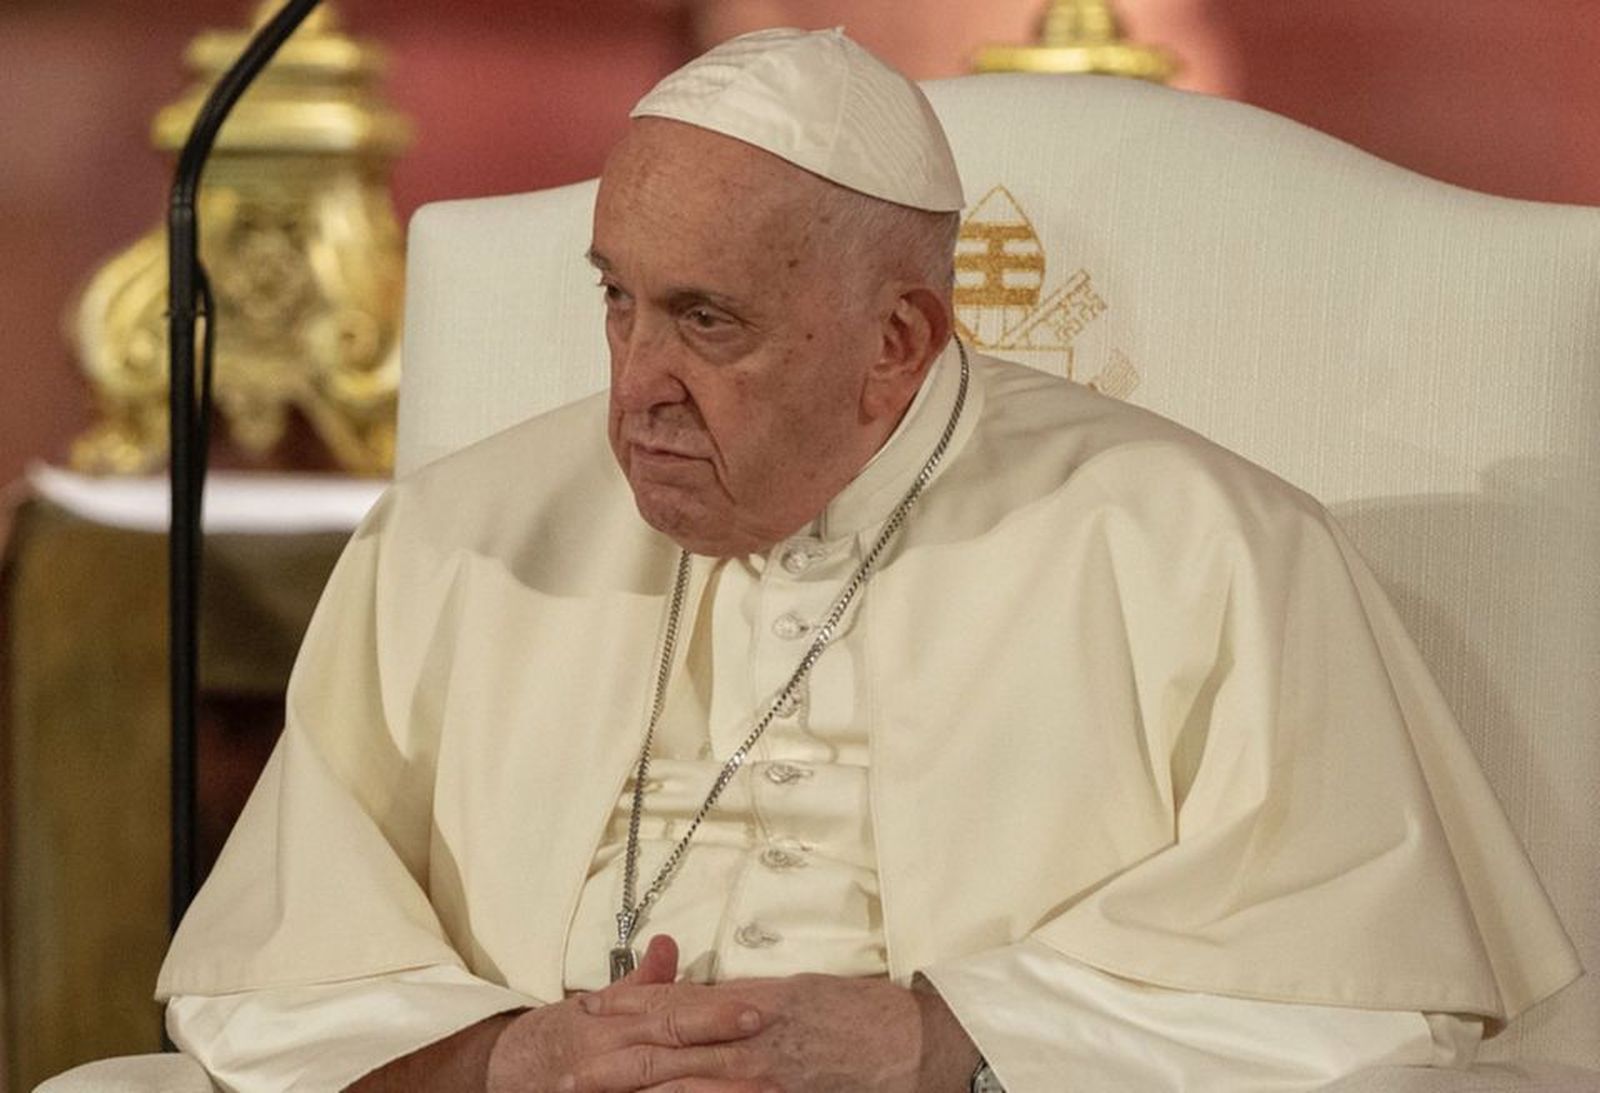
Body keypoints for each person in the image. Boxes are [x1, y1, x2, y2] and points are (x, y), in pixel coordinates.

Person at [152, 27, 1579, 1093]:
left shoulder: (1204, 549)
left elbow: (1357, 1002)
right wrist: (511, 1060)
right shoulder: (459, 535)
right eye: (616, 301)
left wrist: (939, 1036)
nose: (633, 386)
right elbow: (281, 972)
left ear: (896, 344)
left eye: (705, 323)